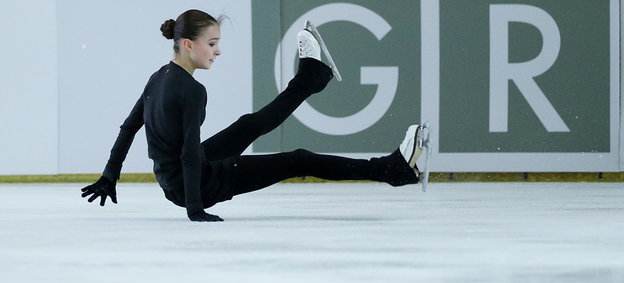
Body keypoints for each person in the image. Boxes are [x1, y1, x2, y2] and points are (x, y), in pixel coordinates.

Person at [81, 9, 426, 222]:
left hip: (178, 176)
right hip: (197, 183)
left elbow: (129, 127)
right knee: (297, 159)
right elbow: (186, 151)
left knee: (248, 125)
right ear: (187, 44)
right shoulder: (191, 90)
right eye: (211, 43)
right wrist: (194, 207)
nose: (218, 50)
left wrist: (110, 175)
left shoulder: (159, 77)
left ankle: (311, 77)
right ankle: (391, 170)